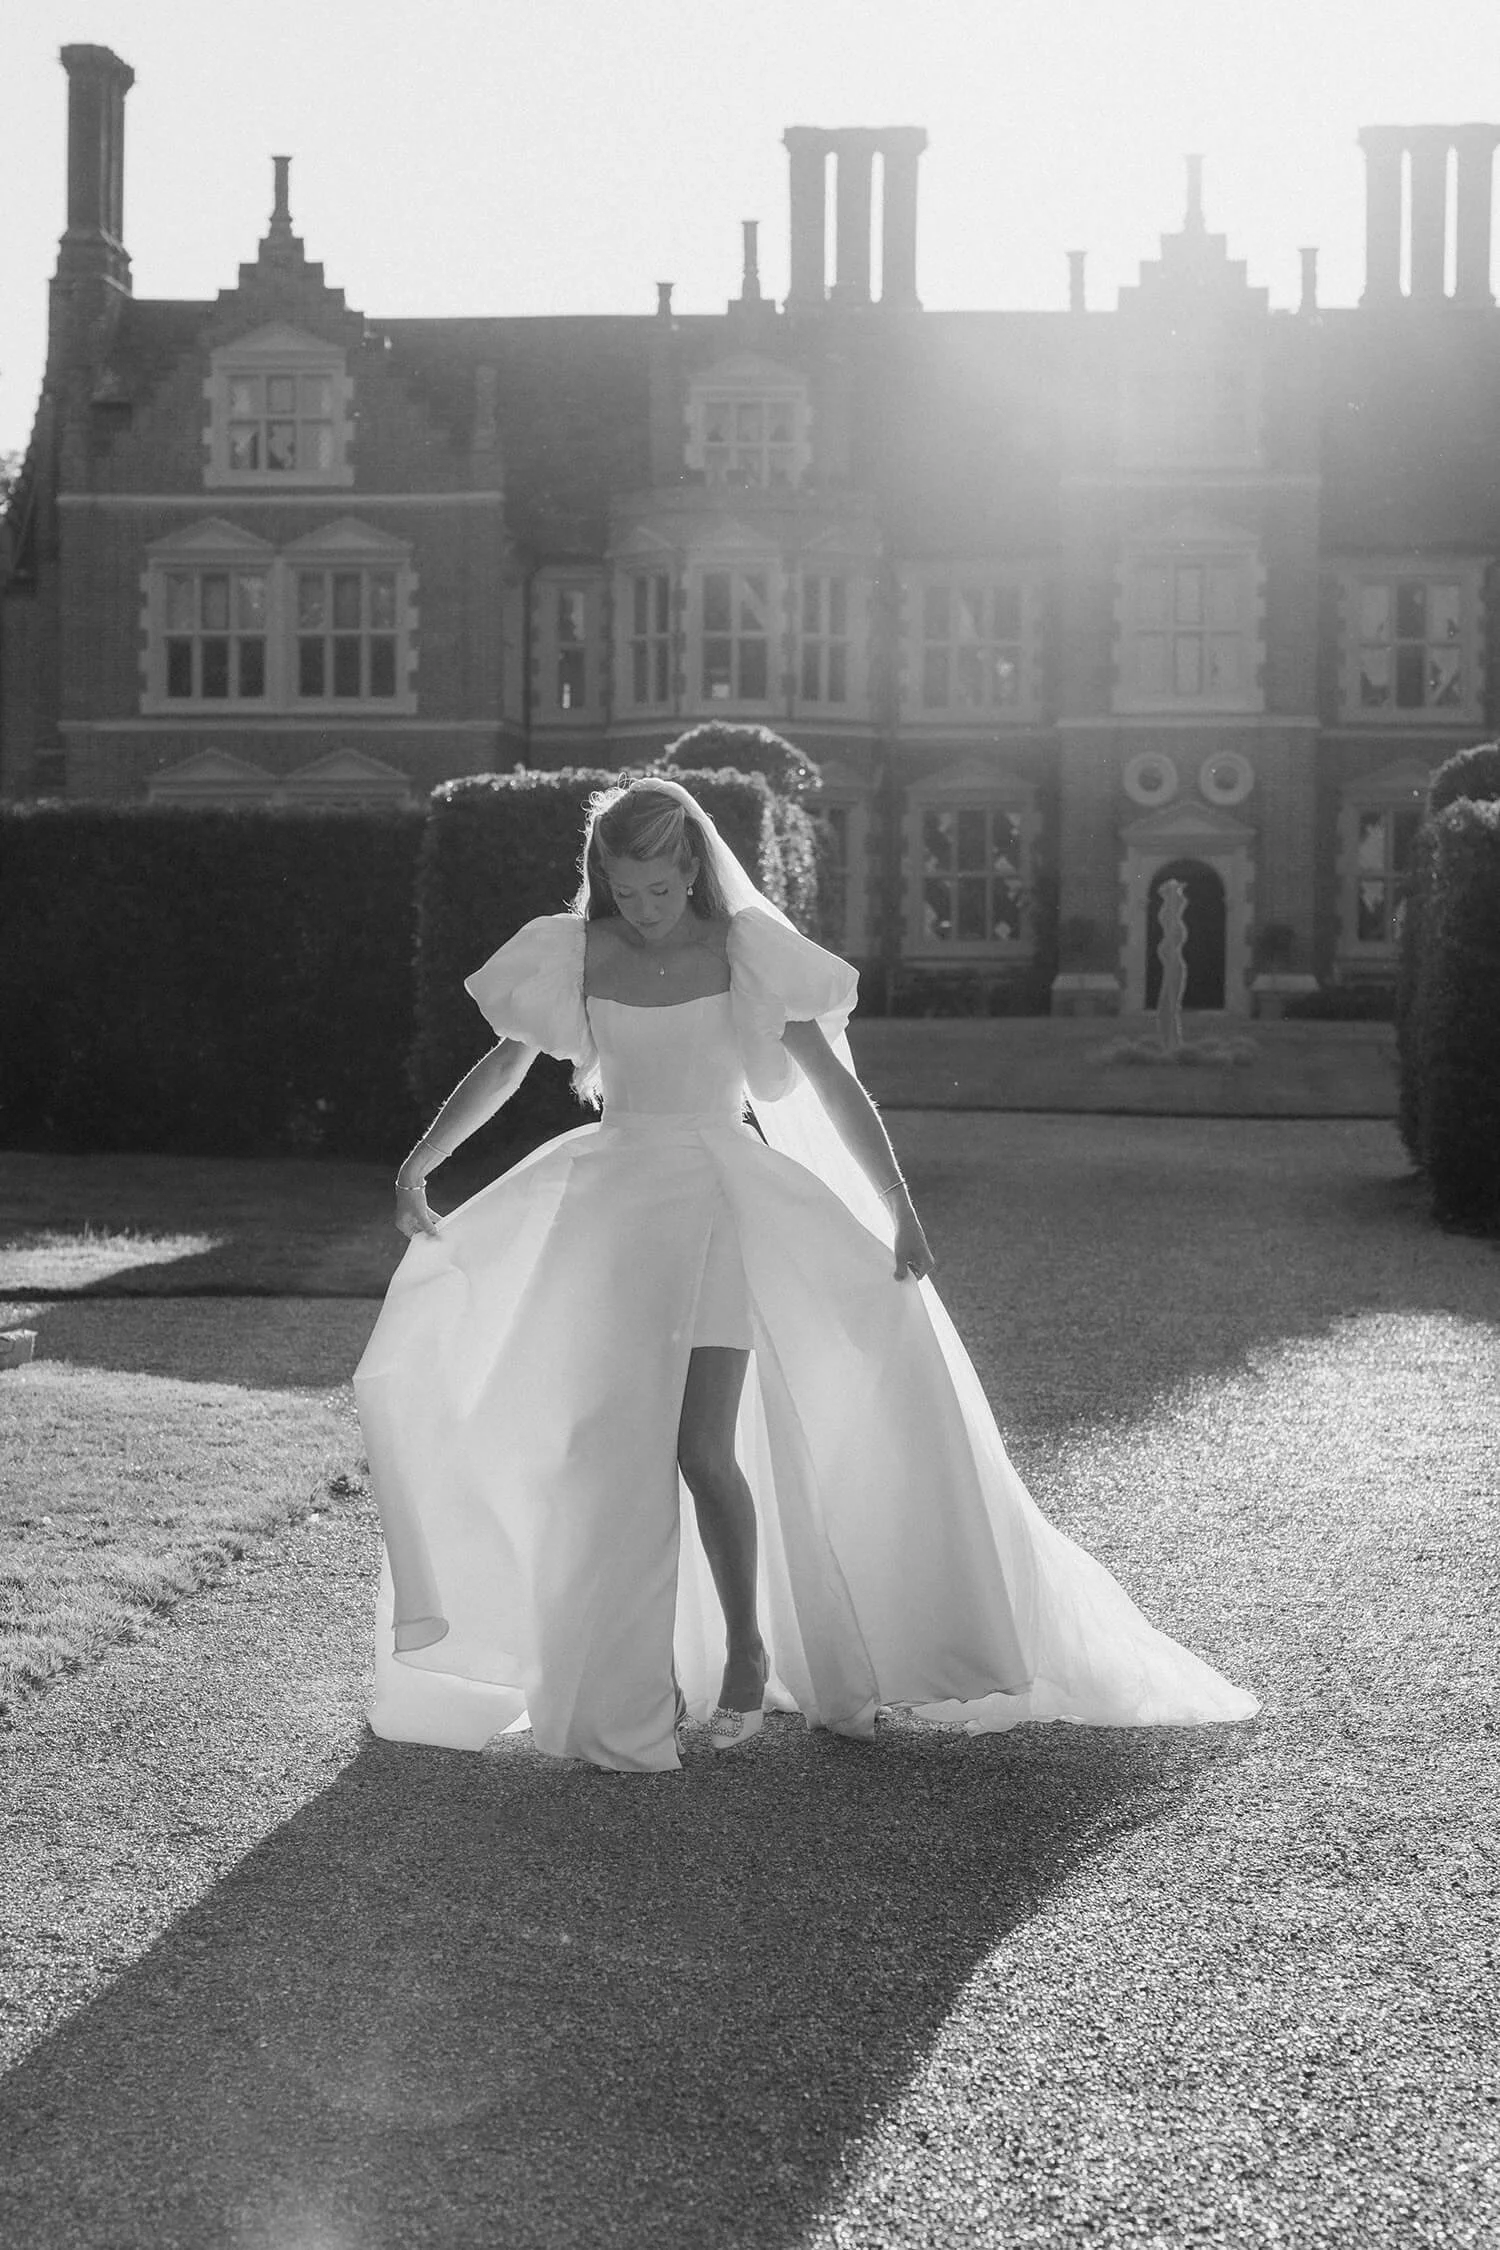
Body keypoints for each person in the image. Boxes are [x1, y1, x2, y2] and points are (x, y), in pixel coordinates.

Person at [354, 776, 1258, 1771]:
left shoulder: (745, 956)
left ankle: (747, 1647)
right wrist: (421, 1160)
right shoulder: (575, 953)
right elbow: (504, 1066)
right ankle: (619, 1691)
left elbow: (833, 1089)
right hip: (612, 1213)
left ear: (693, 868)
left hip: (718, 1205)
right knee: (603, 1453)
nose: (645, 910)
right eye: (626, 890)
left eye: (660, 889)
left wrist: (900, 1211)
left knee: (703, 1451)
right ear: (602, 879)